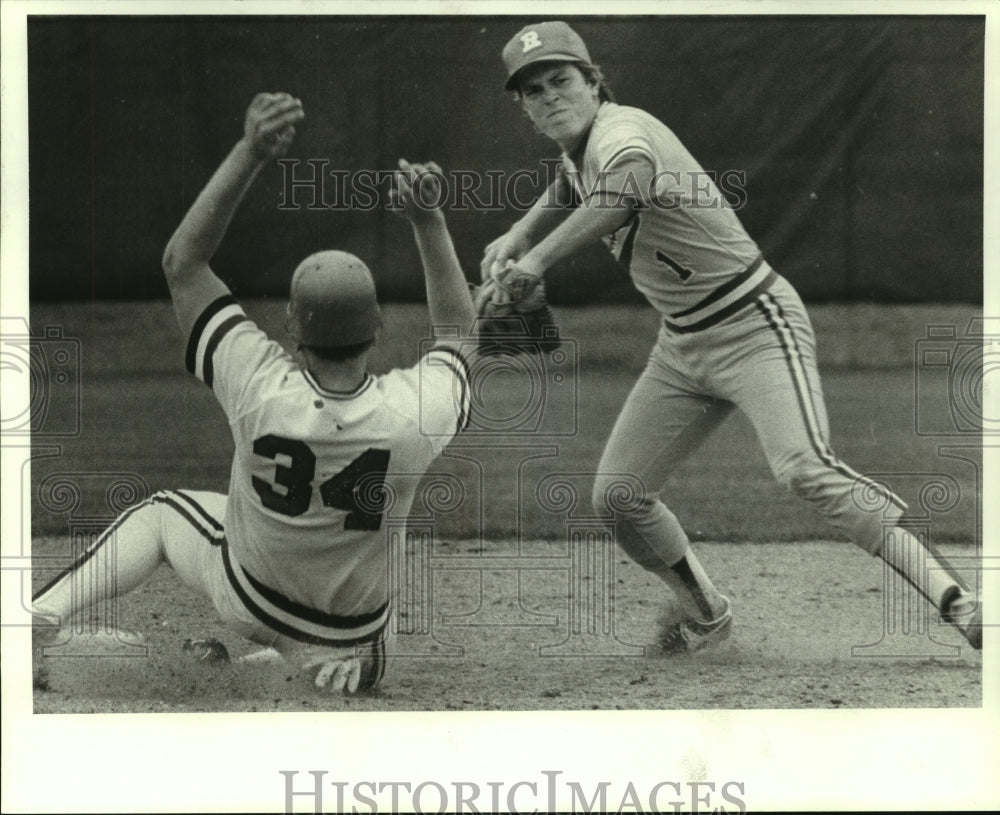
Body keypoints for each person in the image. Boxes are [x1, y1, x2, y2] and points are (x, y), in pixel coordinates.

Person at [483, 21, 982, 652]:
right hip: (681, 347)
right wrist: (521, 233)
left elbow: (623, 187)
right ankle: (707, 614)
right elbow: (573, 180)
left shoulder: (623, 132)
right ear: (523, 107)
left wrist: (536, 261)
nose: (551, 96)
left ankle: (960, 601)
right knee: (618, 496)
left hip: (755, 324)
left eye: (562, 80)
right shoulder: (582, 146)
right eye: (533, 90)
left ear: (594, 83)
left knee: (804, 467)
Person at [32, 92, 478, 694]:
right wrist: (430, 223)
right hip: (349, 638)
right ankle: (300, 667)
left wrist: (251, 151)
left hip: (247, 597)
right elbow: (459, 334)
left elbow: (183, 263)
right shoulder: (412, 413)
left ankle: (38, 615)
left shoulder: (258, 384)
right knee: (365, 602)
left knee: (165, 513)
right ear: (378, 326)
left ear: (292, 330)